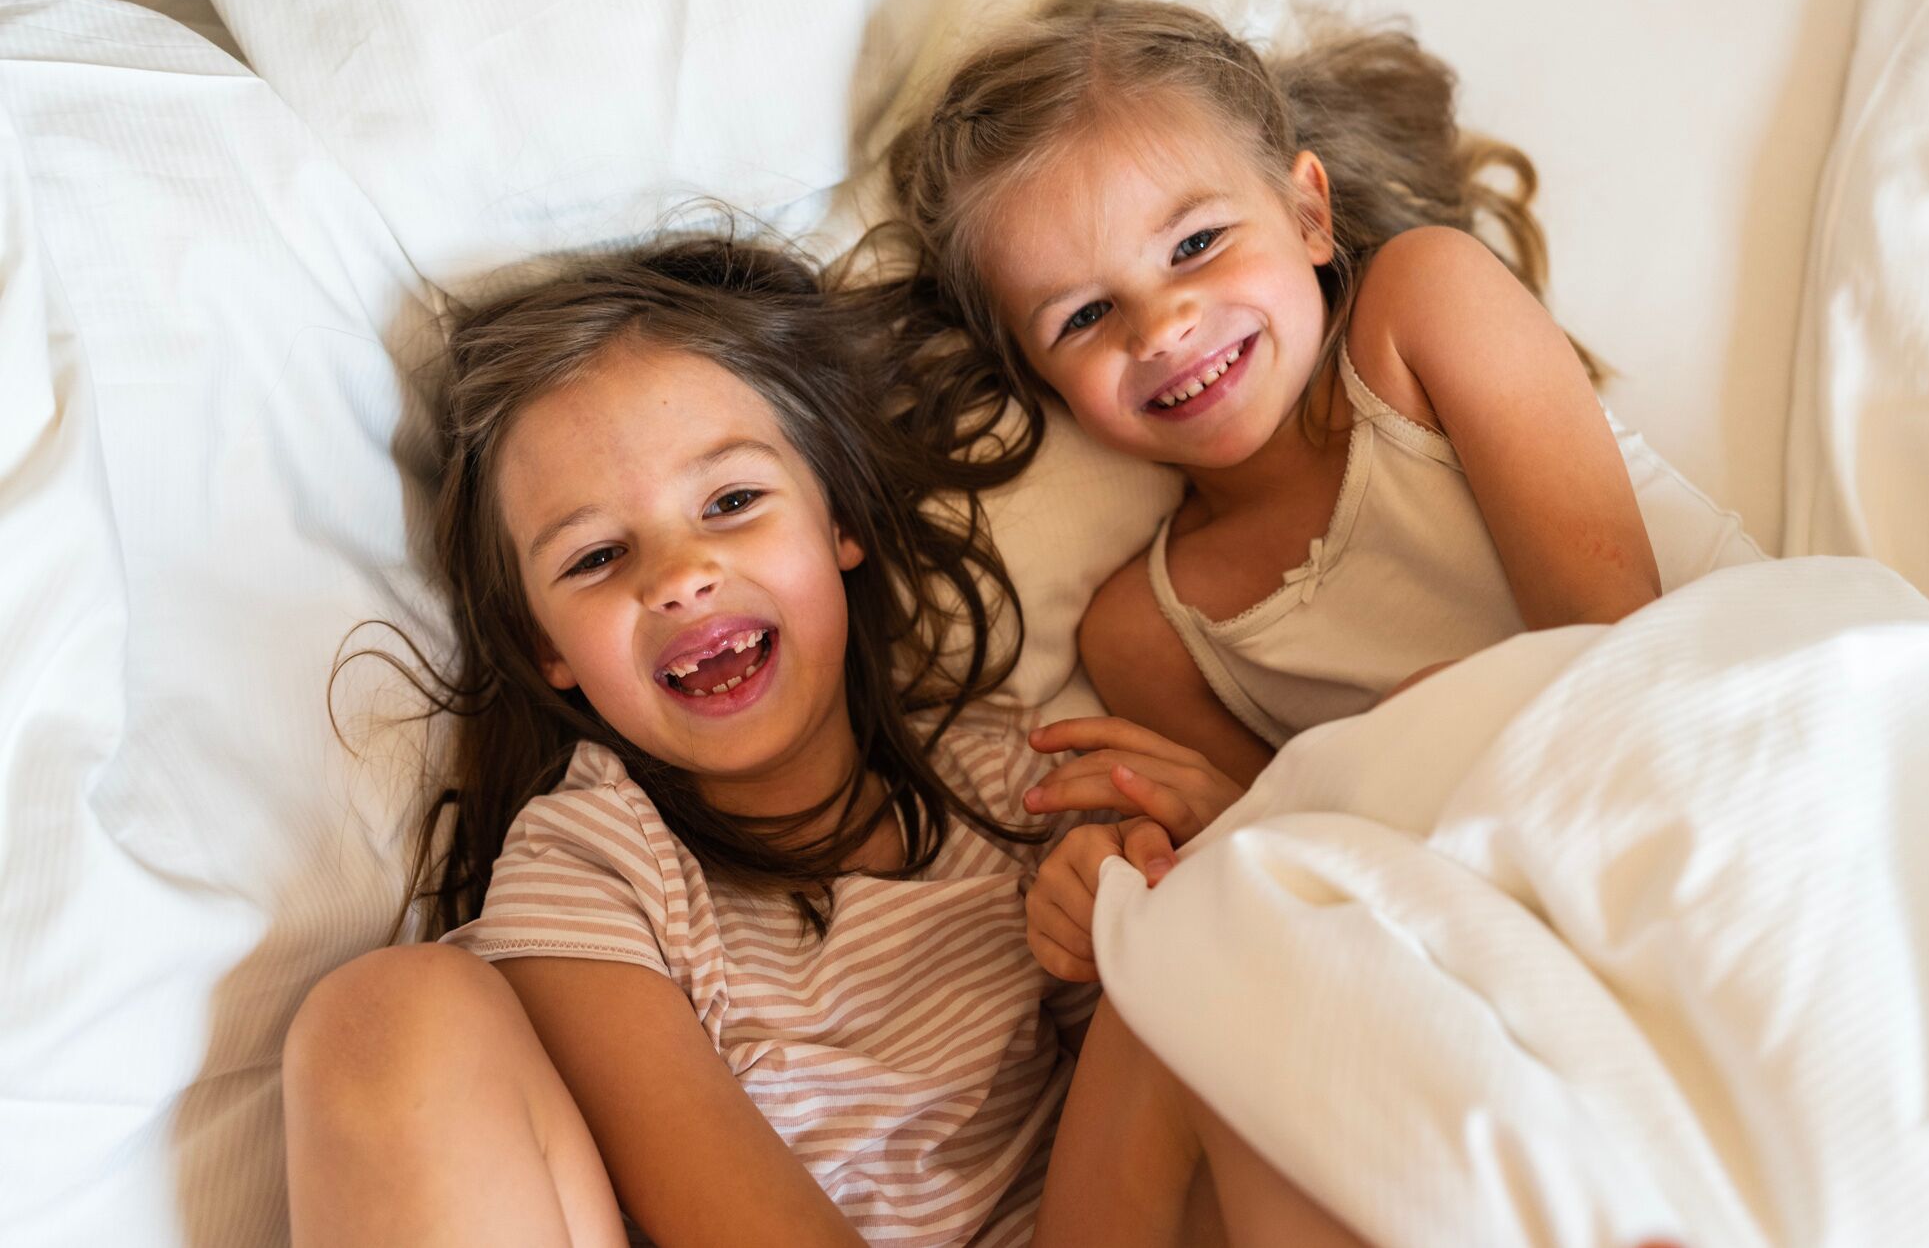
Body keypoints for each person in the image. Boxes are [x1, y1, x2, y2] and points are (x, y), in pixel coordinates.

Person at [279, 236, 1356, 1247]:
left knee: (1214, 932)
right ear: (544, 646)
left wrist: (1185, 870)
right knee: (385, 1016)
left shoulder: (1013, 782)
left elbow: (1166, 1111)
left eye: (733, 500)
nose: (679, 575)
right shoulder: (596, 869)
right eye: (597, 558)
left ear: (837, 521)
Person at [888, 0, 1664, 973]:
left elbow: (1619, 652)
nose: (1161, 325)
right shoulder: (1144, 633)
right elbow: (1296, 878)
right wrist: (1163, 854)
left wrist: (1397, 751)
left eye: (1195, 244)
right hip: (1487, 929)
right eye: (1082, 317)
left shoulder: (1422, 307)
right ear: (1034, 379)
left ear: (1305, 211)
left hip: (1678, 768)